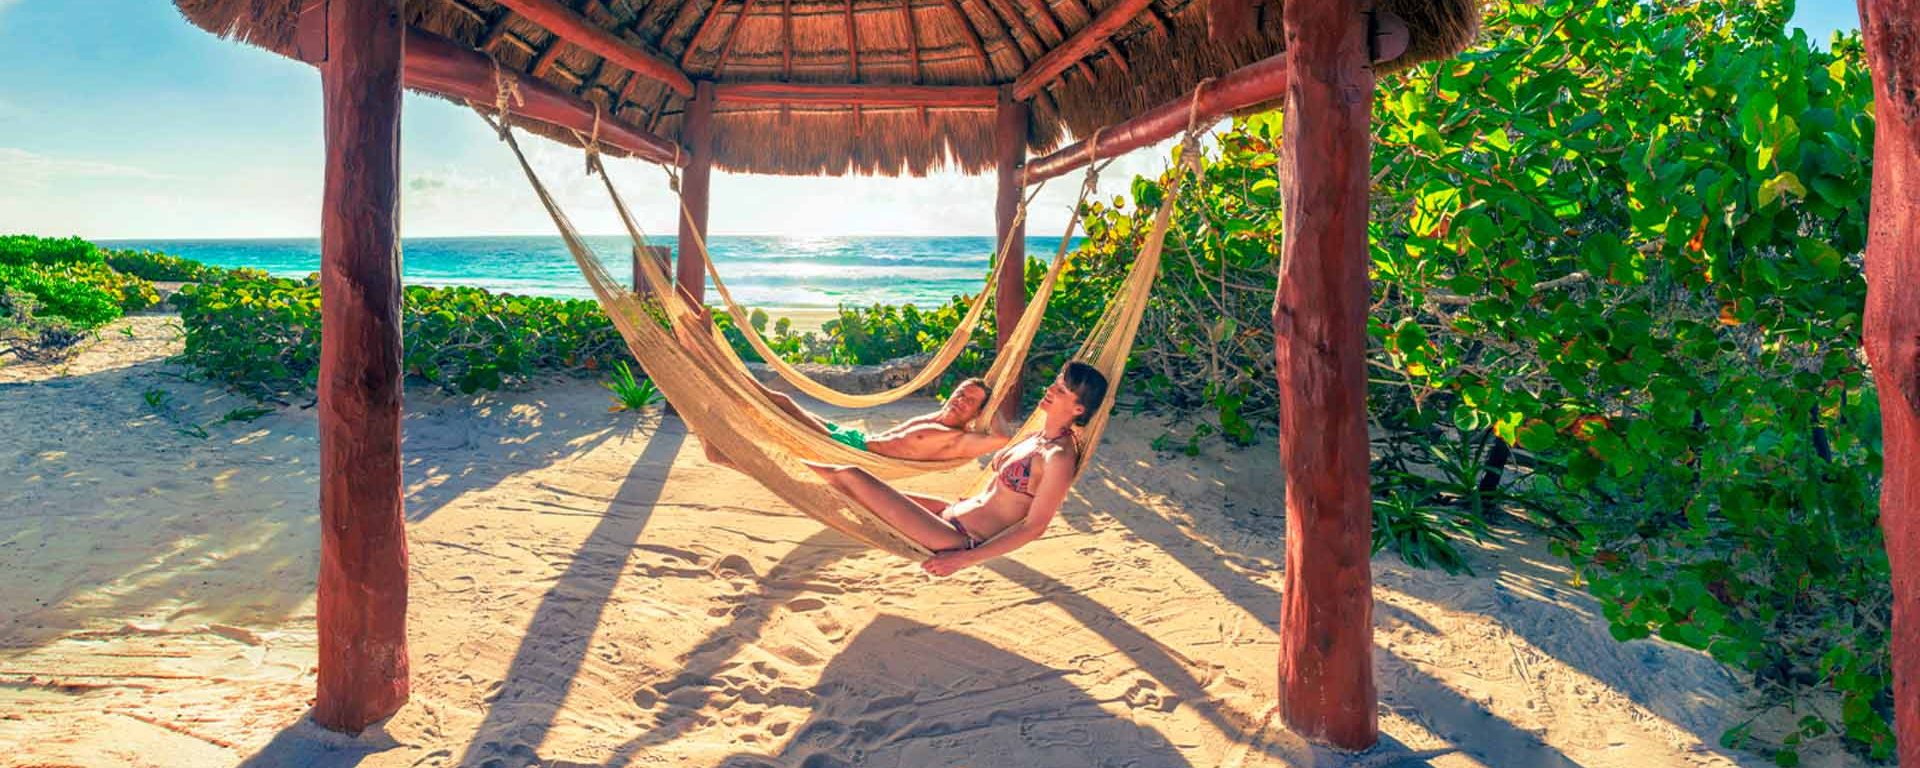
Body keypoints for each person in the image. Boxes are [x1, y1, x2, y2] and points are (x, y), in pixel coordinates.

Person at [807, 360, 1109, 577]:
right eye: (1055, 383)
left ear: (1078, 409)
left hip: (956, 536)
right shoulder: (1037, 436)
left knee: (850, 476)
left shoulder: (1059, 457)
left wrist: (962, 560)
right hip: (947, 512)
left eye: (1062, 390)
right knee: (851, 490)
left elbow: (1034, 527)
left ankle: (786, 465)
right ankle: (789, 466)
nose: (1051, 390)